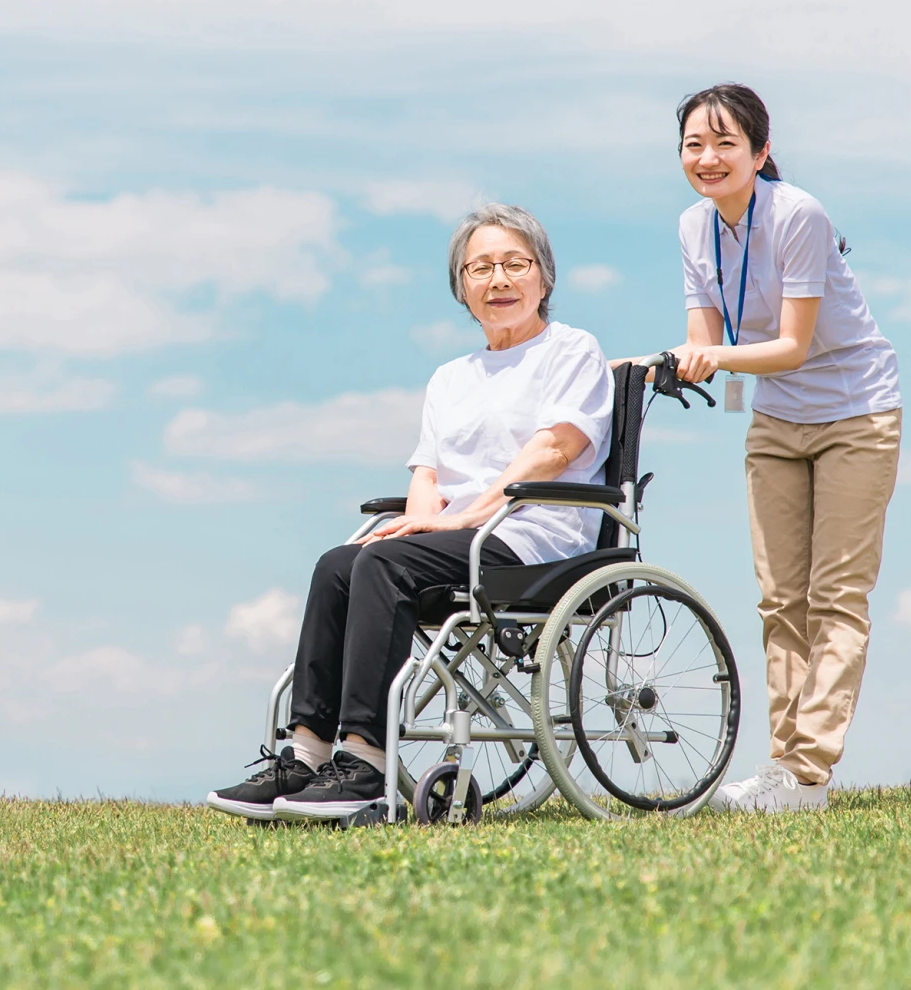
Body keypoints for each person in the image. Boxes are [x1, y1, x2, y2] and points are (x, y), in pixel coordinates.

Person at [207, 204, 613, 822]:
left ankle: (366, 760)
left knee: (386, 565)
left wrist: (461, 519)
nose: (498, 280)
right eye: (480, 269)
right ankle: (306, 753)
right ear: (462, 288)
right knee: (342, 563)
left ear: (544, 277)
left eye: (514, 264)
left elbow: (554, 449)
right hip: (463, 538)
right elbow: (427, 474)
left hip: (537, 536)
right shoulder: (451, 377)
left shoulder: (571, 351)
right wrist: (420, 522)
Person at [661, 83, 902, 813]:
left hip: (856, 411)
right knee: (779, 600)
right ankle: (783, 770)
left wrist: (709, 358)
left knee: (836, 596)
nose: (708, 158)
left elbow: (793, 346)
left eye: (725, 143)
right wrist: (671, 361)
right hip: (776, 418)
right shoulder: (693, 229)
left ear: (761, 152)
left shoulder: (797, 213)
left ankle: (807, 773)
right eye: (693, 145)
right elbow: (709, 344)